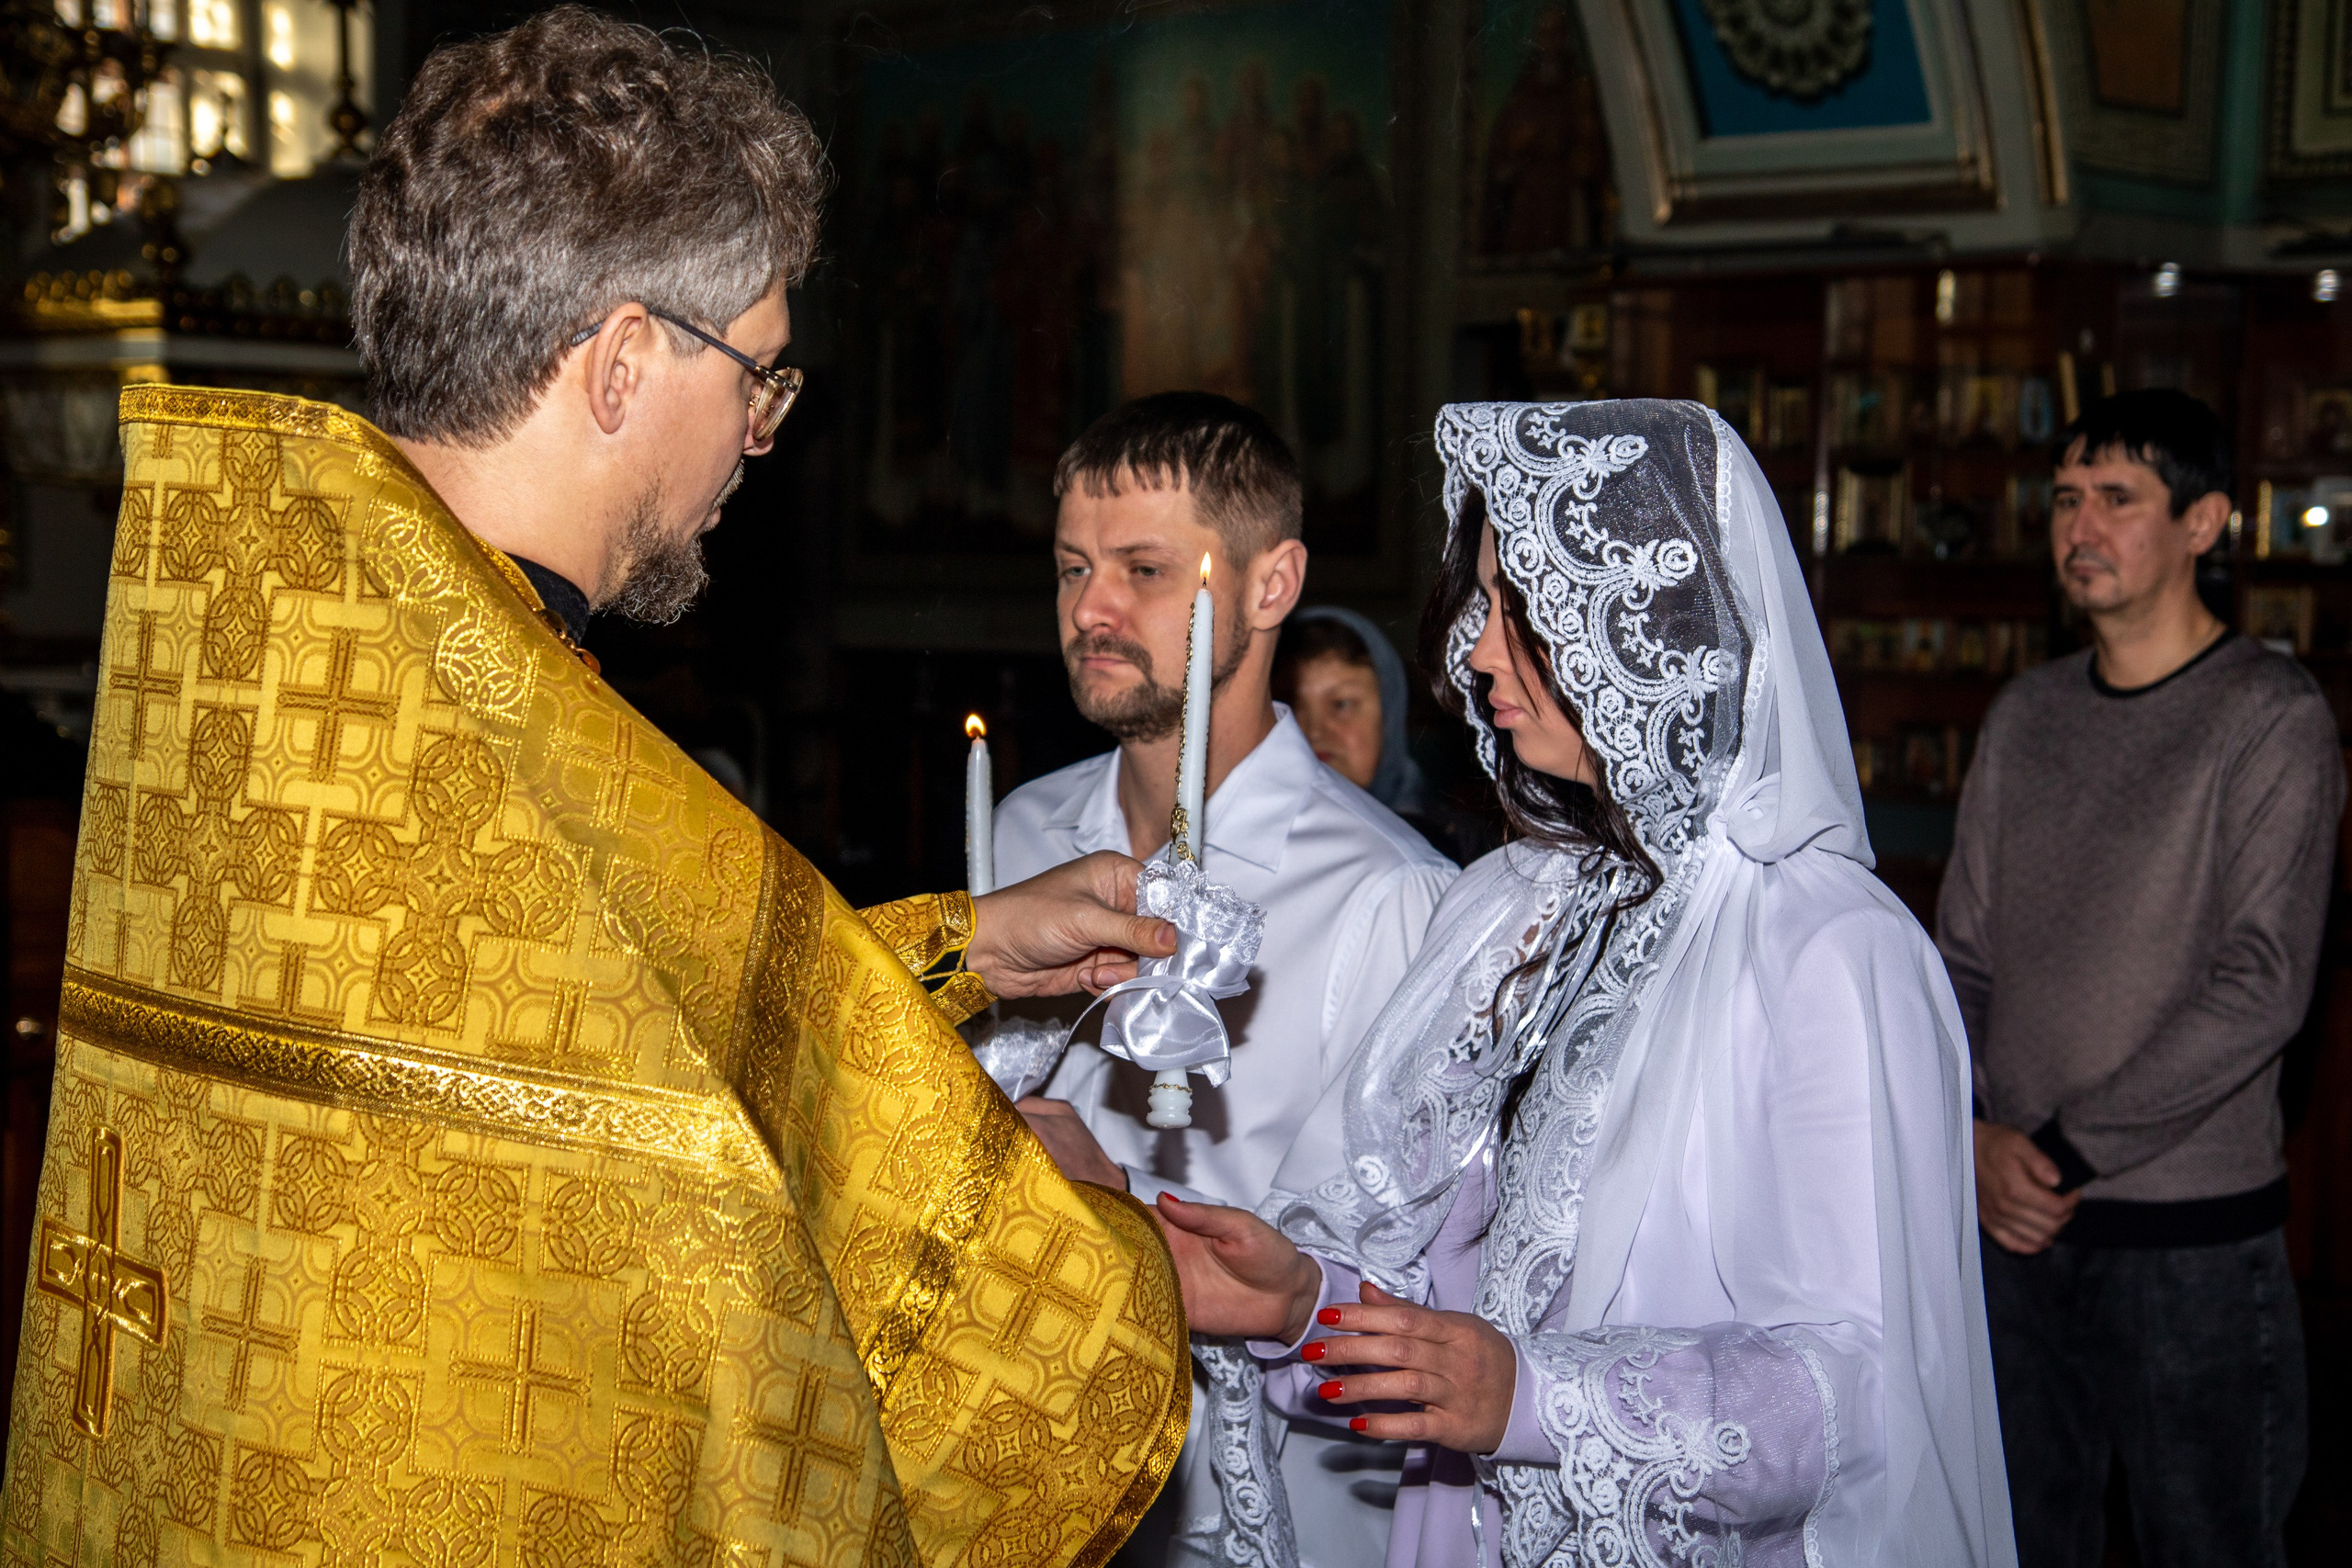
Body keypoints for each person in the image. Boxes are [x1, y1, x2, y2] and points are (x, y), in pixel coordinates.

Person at [0, 14, 1193, 1567]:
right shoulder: (515, 729)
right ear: (627, 360)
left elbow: (581, 1026)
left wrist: (956, 943)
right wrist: (1084, 1218)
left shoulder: (269, 644)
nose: (760, 441)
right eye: (759, 377)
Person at [1139, 400, 2016, 1566]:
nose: (1480, 653)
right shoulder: (1511, 906)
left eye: (1527, 613)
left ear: (1651, 626)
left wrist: (1536, 1398)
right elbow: (1442, 1270)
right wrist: (1297, 1300)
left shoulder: (1832, 949)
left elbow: (1853, 1394)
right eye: (1483, 609)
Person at [994, 392, 1456, 1565]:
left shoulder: (1384, 896)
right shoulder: (1022, 835)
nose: (1089, 610)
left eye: (1143, 570)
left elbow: (1430, 1300)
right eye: (1069, 568)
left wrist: (1115, 1217)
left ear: (1270, 583)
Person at [1939, 389, 2339, 1568]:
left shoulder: (2267, 715)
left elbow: (2262, 984)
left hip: (2188, 1245)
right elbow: (1959, 959)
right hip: (2009, 1226)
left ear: (2205, 522)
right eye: (2066, 498)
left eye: (2119, 498)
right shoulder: (2025, 714)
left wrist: (2057, 1150)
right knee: (2016, 1542)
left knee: (2207, 1547)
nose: (2080, 525)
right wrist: (1966, 1132)